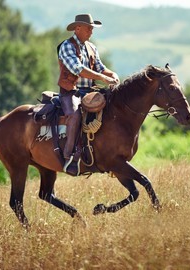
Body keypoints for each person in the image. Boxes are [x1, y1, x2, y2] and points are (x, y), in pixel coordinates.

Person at [57, 14, 119, 175]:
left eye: (92, 28)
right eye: (89, 28)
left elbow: (100, 67)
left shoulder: (91, 47)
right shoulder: (66, 46)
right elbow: (78, 69)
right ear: (77, 28)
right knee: (75, 115)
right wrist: (102, 78)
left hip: (90, 92)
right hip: (71, 91)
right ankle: (69, 156)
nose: (91, 31)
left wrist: (112, 74)